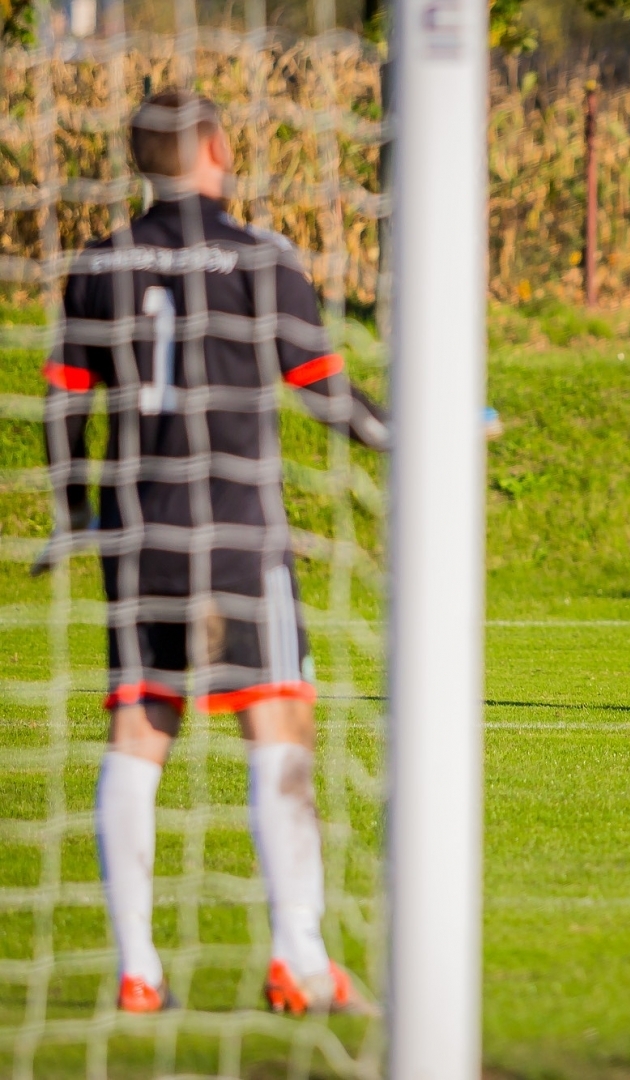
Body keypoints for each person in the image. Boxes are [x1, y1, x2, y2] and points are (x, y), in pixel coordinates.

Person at [41, 90, 388, 1015]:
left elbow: (65, 403)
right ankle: (300, 961)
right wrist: (403, 437)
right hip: (239, 532)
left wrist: (75, 509)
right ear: (214, 150)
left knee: (139, 732)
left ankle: (137, 970)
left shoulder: (101, 260)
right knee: (278, 728)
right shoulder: (260, 257)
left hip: (140, 533)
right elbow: (326, 394)